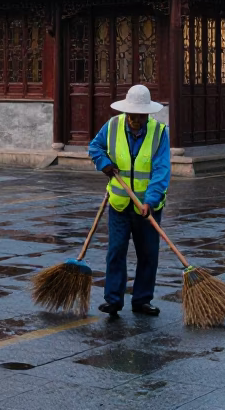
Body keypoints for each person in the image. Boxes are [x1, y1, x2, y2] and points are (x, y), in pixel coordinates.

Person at [87, 83, 171, 317]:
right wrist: (104, 164)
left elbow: (162, 170)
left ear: (147, 114)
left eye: (140, 116)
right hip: (119, 204)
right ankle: (113, 299)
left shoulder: (159, 132)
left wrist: (151, 201)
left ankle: (142, 300)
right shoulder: (112, 127)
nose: (136, 120)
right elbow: (94, 147)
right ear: (126, 112)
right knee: (116, 251)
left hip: (147, 206)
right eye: (132, 115)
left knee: (148, 254)